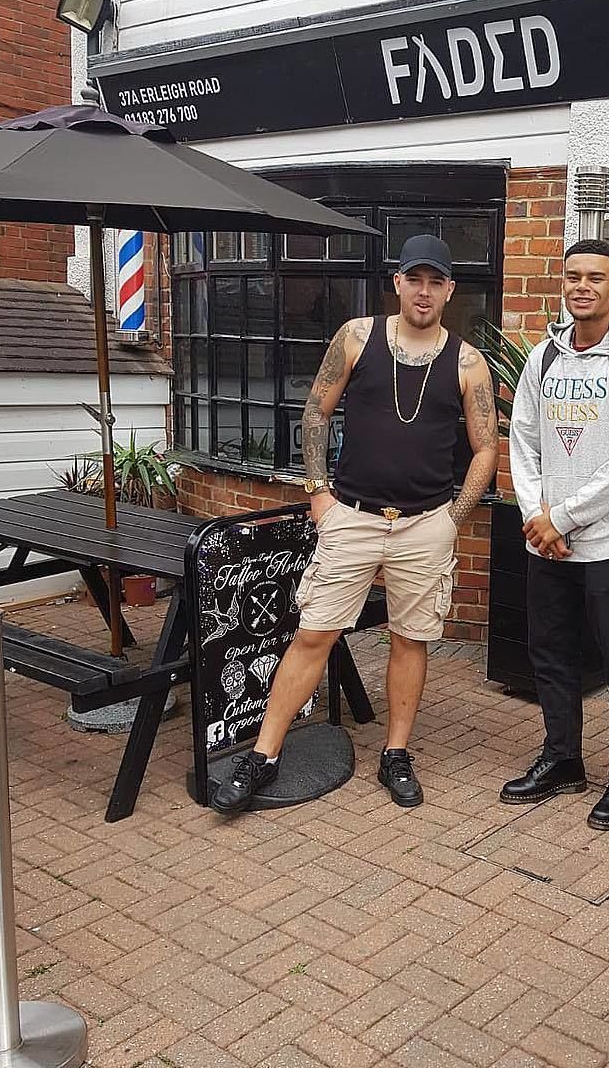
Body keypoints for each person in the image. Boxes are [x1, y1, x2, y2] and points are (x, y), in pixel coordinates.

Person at [212, 234, 499, 813]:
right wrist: (317, 491)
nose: (424, 291)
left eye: (435, 281)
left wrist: (454, 516)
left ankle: (395, 753)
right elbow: (316, 409)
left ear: (449, 290)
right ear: (397, 283)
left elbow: (487, 448)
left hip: (426, 522)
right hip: (354, 516)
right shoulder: (357, 336)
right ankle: (264, 754)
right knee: (315, 631)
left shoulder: (468, 362)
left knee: (410, 639)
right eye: (414, 279)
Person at [502, 239, 609, 830]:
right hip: (545, 540)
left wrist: (563, 518)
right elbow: (522, 440)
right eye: (573, 276)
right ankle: (563, 759)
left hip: (608, 545)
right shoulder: (544, 358)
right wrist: (536, 514)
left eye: (596, 278)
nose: (582, 287)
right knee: (550, 655)